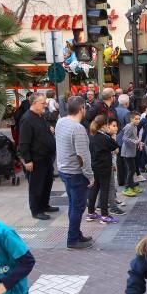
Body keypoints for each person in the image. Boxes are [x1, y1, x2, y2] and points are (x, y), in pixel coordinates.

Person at [55, 97, 95, 250]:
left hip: (64, 170)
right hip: (76, 173)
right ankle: (72, 240)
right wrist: (90, 176)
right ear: (81, 109)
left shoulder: (61, 121)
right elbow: (83, 156)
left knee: (73, 205)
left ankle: (76, 234)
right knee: (78, 207)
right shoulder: (77, 128)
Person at [18, 93, 58, 221]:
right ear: (34, 103)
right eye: (42, 103)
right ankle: (36, 210)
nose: (45, 105)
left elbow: (43, 130)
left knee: (47, 182)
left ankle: (45, 205)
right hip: (36, 158)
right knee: (37, 185)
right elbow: (24, 142)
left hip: (47, 157)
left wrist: (50, 129)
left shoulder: (40, 116)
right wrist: (28, 160)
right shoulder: (27, 119)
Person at [86, 115, 120, 224]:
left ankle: (91, 212)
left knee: (94, 189)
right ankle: (104, 215)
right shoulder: (105, 137)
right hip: (104, 167)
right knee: (104, 190)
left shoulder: (92, 135)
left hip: (94, 166)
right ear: (104, 126)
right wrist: (113, 136)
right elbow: (115, 146)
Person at [121, 112, 143, 198]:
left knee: (133, 169)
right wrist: (134, 142)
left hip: (132, 151)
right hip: (127, 152)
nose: (138, 121)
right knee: (131, 170)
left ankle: (132, 186)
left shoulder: (135, 126)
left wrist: (139, 143)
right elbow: (124, 138)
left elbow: (135, 136)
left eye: (139, 119)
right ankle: (127, 188)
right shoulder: (129, 126)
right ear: (131, 119)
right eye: (136, 119)